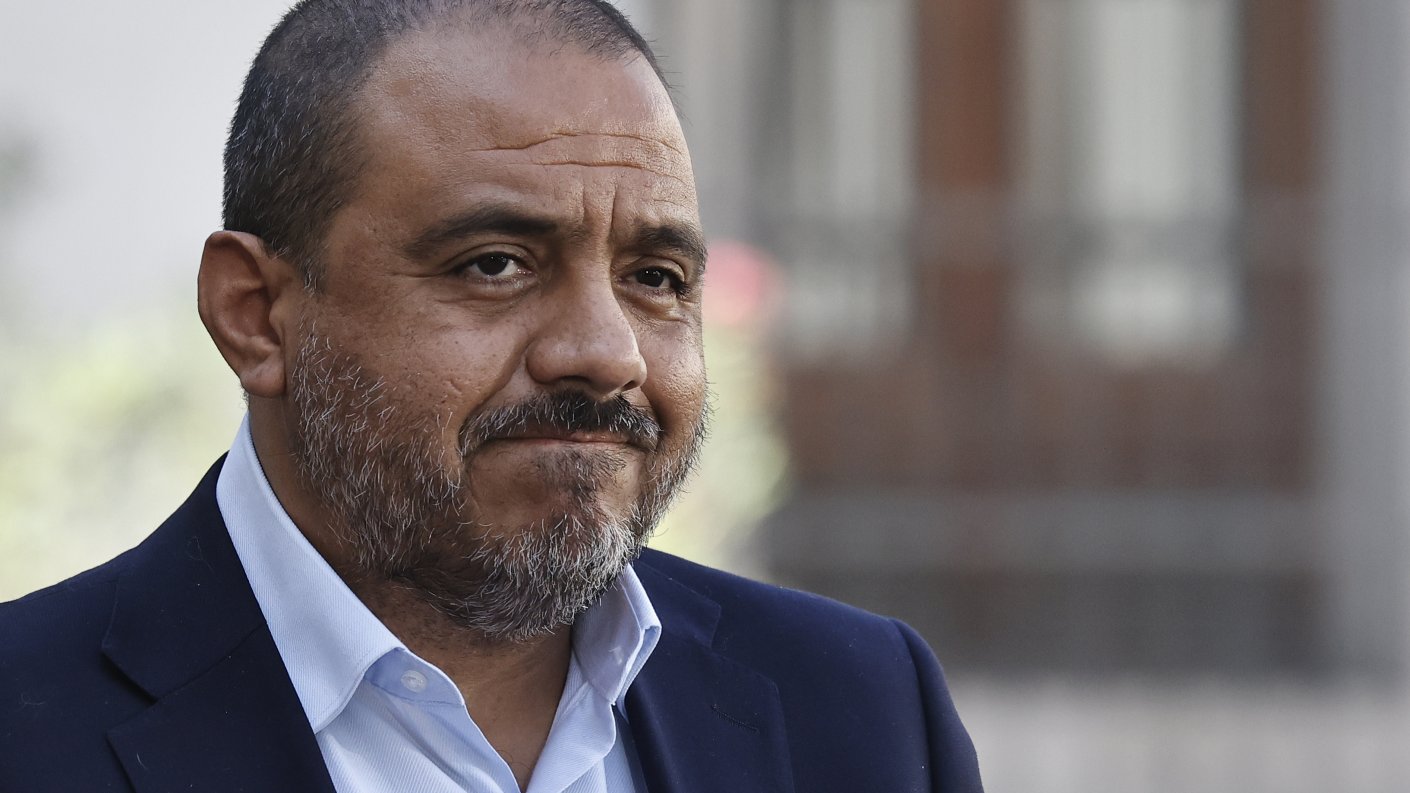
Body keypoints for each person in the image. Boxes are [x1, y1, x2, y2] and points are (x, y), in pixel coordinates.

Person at [0, 1, 982, 791]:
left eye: (655, 278)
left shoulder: (860, 712)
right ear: (255, 314)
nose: (607, 355)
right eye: (496, 263)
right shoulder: (27, 725)